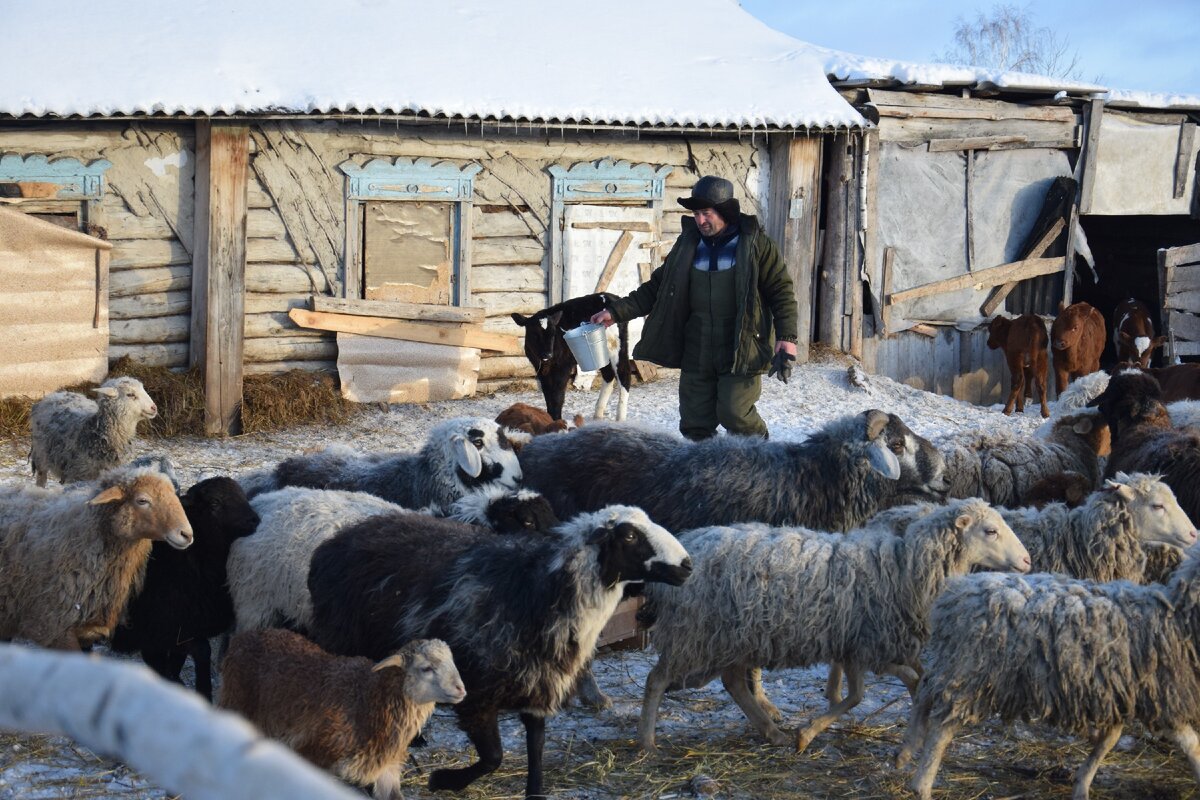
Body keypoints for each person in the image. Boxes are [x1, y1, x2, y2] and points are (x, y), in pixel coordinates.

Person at [590, 175, 798, 440]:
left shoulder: (755, 244)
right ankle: (704, 465)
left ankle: (760, 459)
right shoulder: (688, 245)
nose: (700, 221)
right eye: (696, 214)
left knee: (735, 413)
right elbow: (656, 288)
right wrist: (615, 312)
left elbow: (781, 291)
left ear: (725, 212)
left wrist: (787, 337)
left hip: (741, 345)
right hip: (697, 345)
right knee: (695, 421)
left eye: (706, 213)